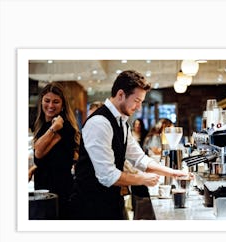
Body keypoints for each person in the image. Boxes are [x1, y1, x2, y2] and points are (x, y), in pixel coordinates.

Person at [70, 70, 192, 220]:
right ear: (121, 94)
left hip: (111, 201)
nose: (139, 107)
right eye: (137, 101)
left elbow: (139, 159)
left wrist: (173, 173)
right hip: (90, 207)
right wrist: (143, 179)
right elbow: (108, 176)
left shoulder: (122, 122)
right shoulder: (99, 123)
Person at [31, 82, 80, 219]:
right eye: (47, 101)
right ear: (41, 101)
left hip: (59, 191)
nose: (51, 105)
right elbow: (44, 160)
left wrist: (54, 128)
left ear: (63, 105)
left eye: (56, 102)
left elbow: (39, 152)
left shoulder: (63, 126)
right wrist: (32, 170)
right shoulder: (43, 125)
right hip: (44, 188)